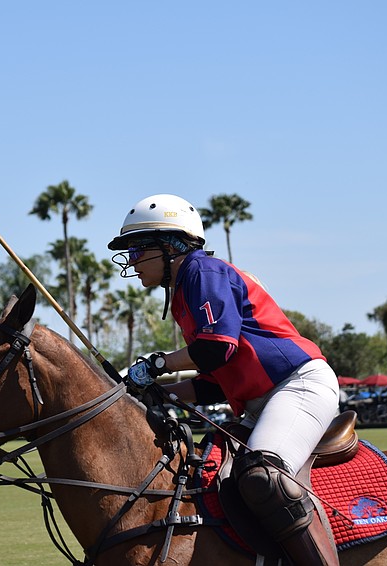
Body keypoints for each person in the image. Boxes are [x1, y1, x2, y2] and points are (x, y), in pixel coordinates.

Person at [108, 194, 339, 566]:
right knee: (212, 478)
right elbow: (215, 378)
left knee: (264, 478)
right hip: (260, 401)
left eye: (138, 250)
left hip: (298, 385)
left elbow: (216, 348)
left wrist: (155, 365)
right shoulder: (186, 290)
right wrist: (160, 394)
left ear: (170, 247)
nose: (132, 261)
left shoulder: (203, 272)